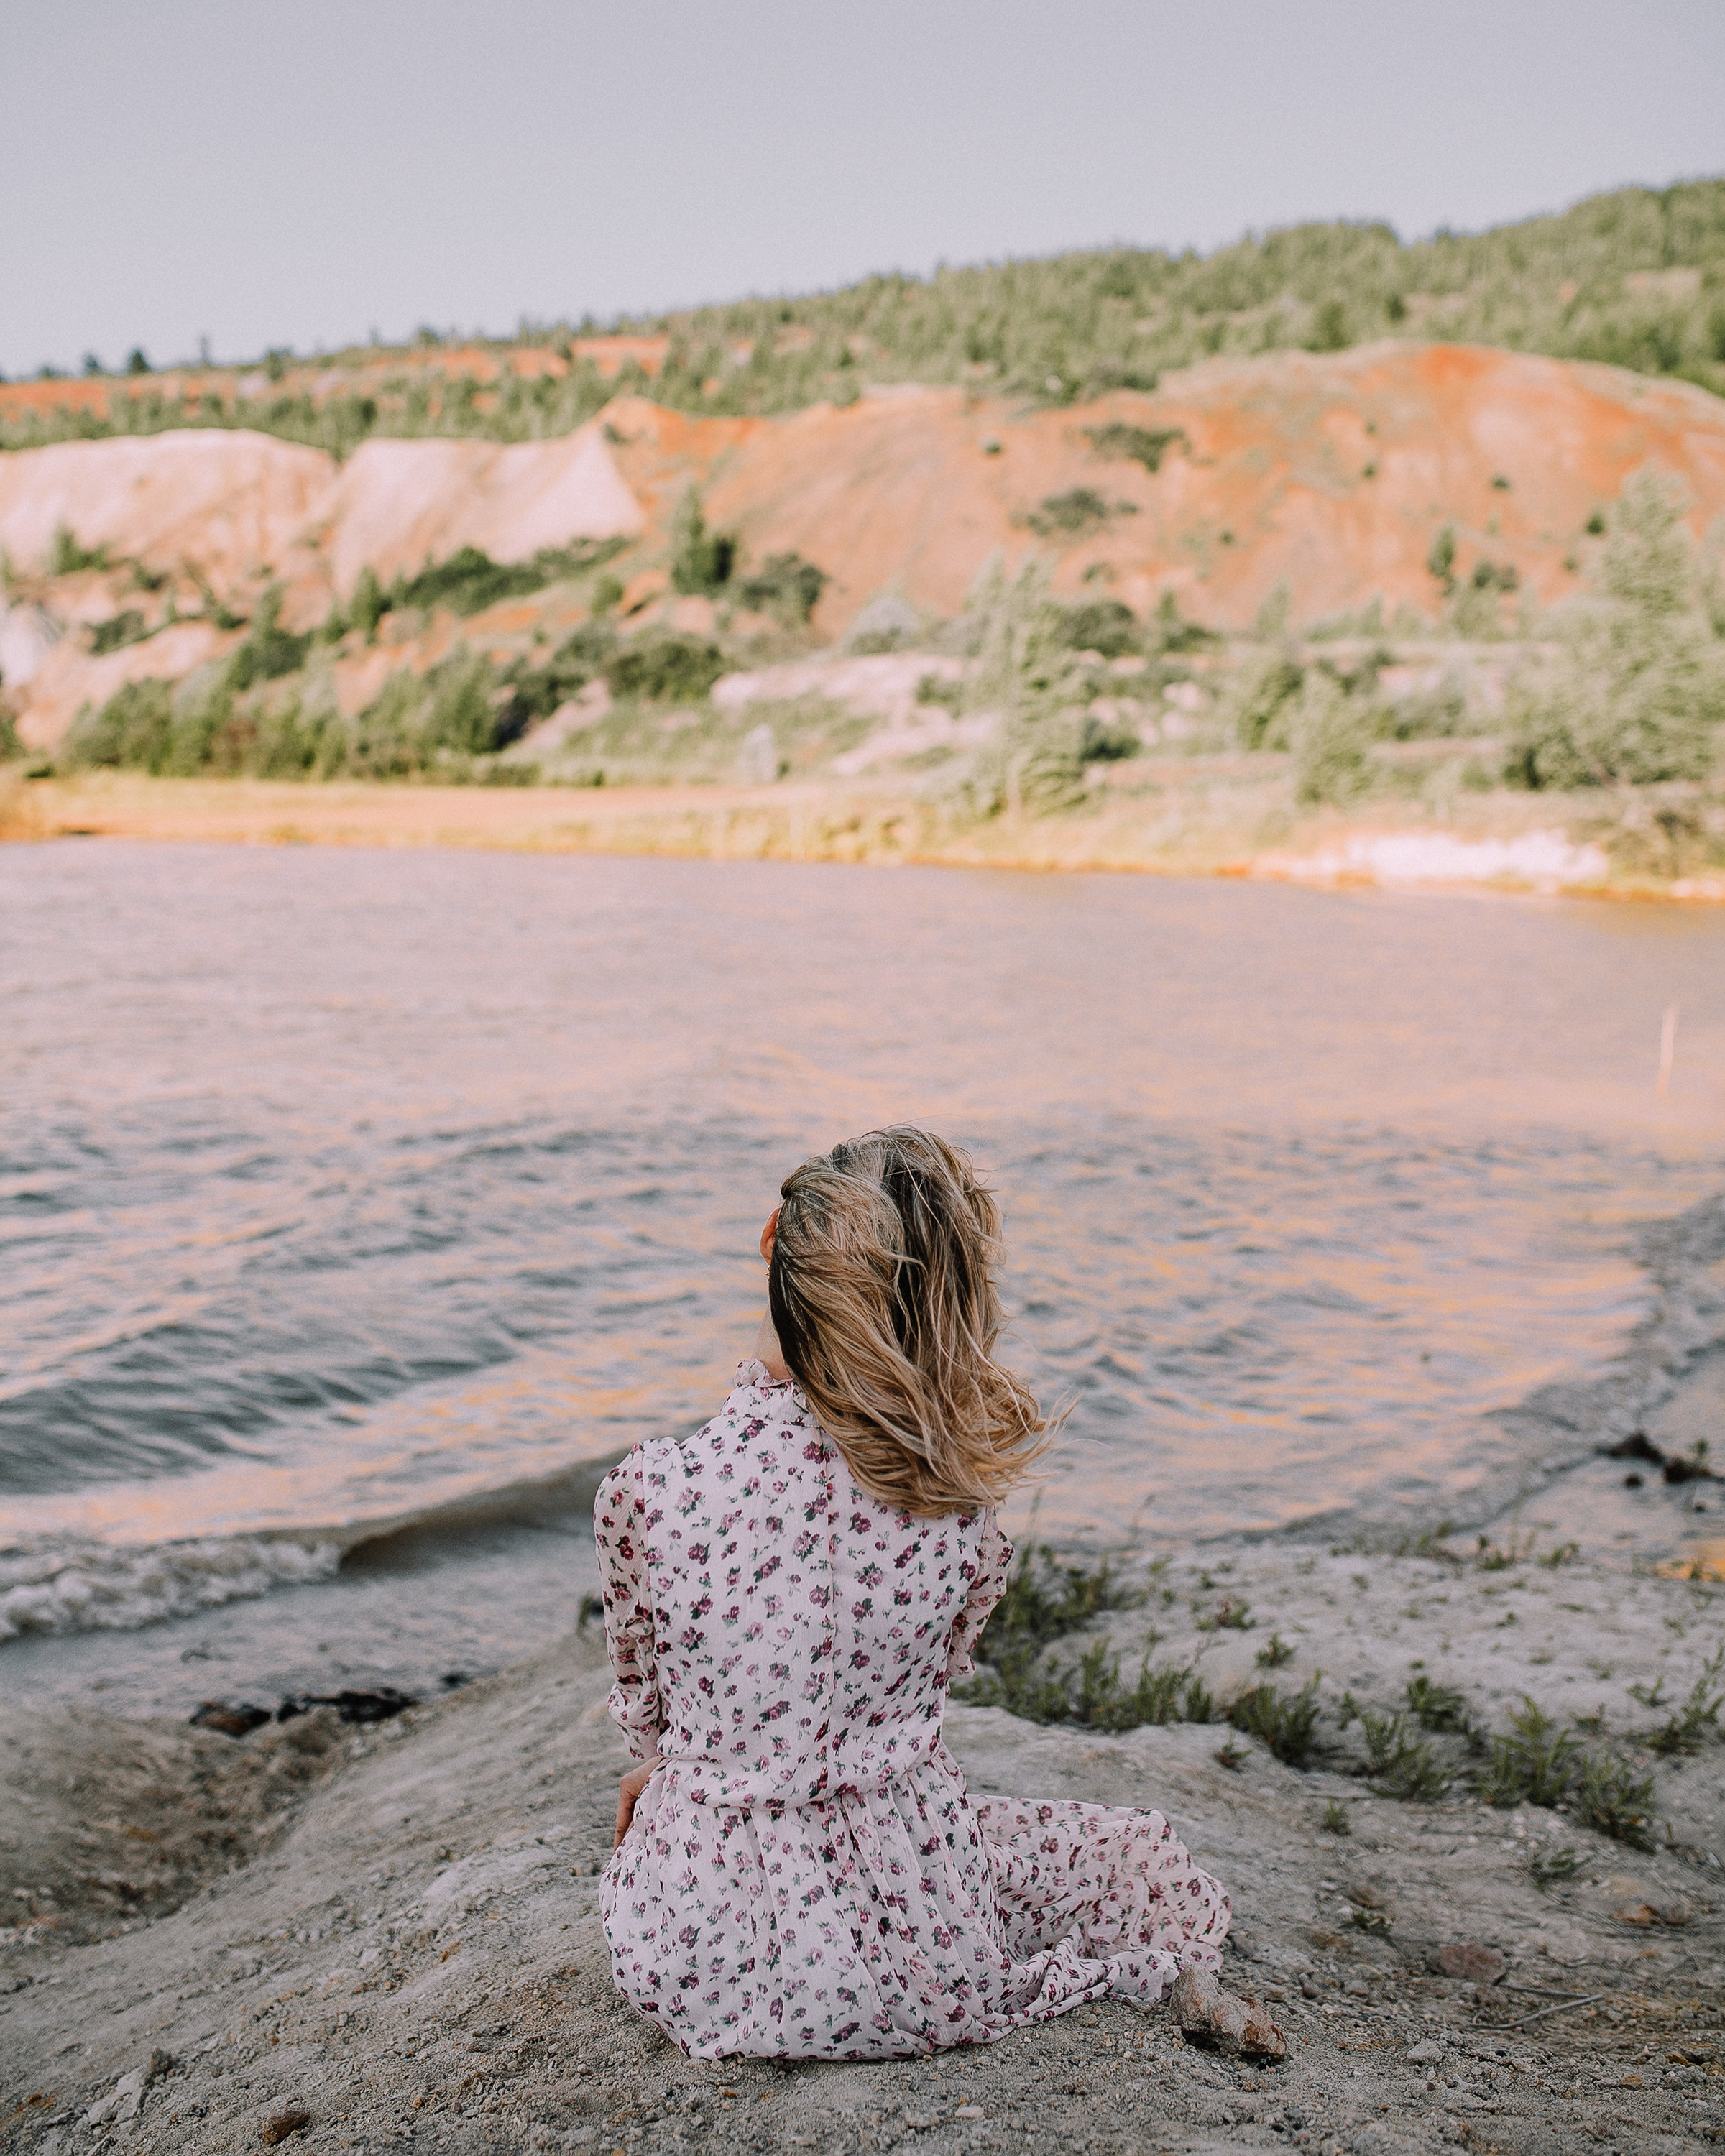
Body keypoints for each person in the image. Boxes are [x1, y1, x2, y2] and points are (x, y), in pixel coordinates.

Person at [594, 1127, 1233, 2061]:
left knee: (679, 1798)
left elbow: (645, 1698)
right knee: (1065, 1849)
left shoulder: (650, 1489)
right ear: (946, 1301)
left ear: (773, 1238)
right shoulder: (957, 1509)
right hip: (928, 1955)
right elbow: (918, 1695)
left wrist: (680, 1766)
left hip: (700, 1956)